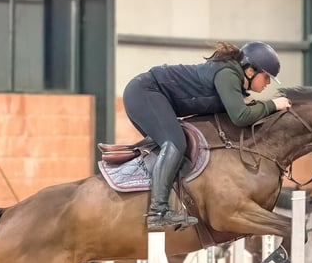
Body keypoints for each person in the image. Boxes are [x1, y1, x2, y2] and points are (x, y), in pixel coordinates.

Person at [122, 41, 292, 231]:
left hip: (146, 94)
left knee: (175, 147)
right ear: (251, 71)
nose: (268, 83)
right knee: (176, 143)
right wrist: (273, 105)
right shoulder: (228, 74)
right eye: (267, 77)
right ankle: (158, 212)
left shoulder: (232, 78)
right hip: (144, 92)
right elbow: (240, 117)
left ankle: (169, 203)